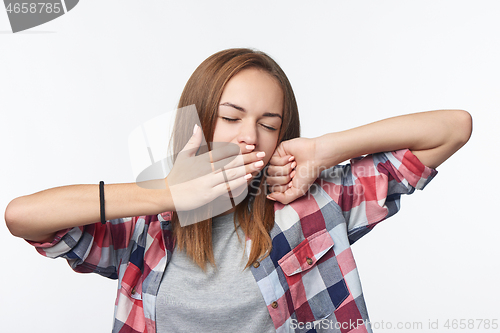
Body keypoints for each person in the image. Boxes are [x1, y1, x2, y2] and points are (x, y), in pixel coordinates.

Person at [4, 48, 472, 333]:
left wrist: (321, 150)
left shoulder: (317, 202)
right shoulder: (148, 224)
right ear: (200, 119)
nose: (250, 136)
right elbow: (23, 216)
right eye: (231, 117)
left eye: (269, 125)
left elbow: (452, 128)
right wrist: (166, 195)